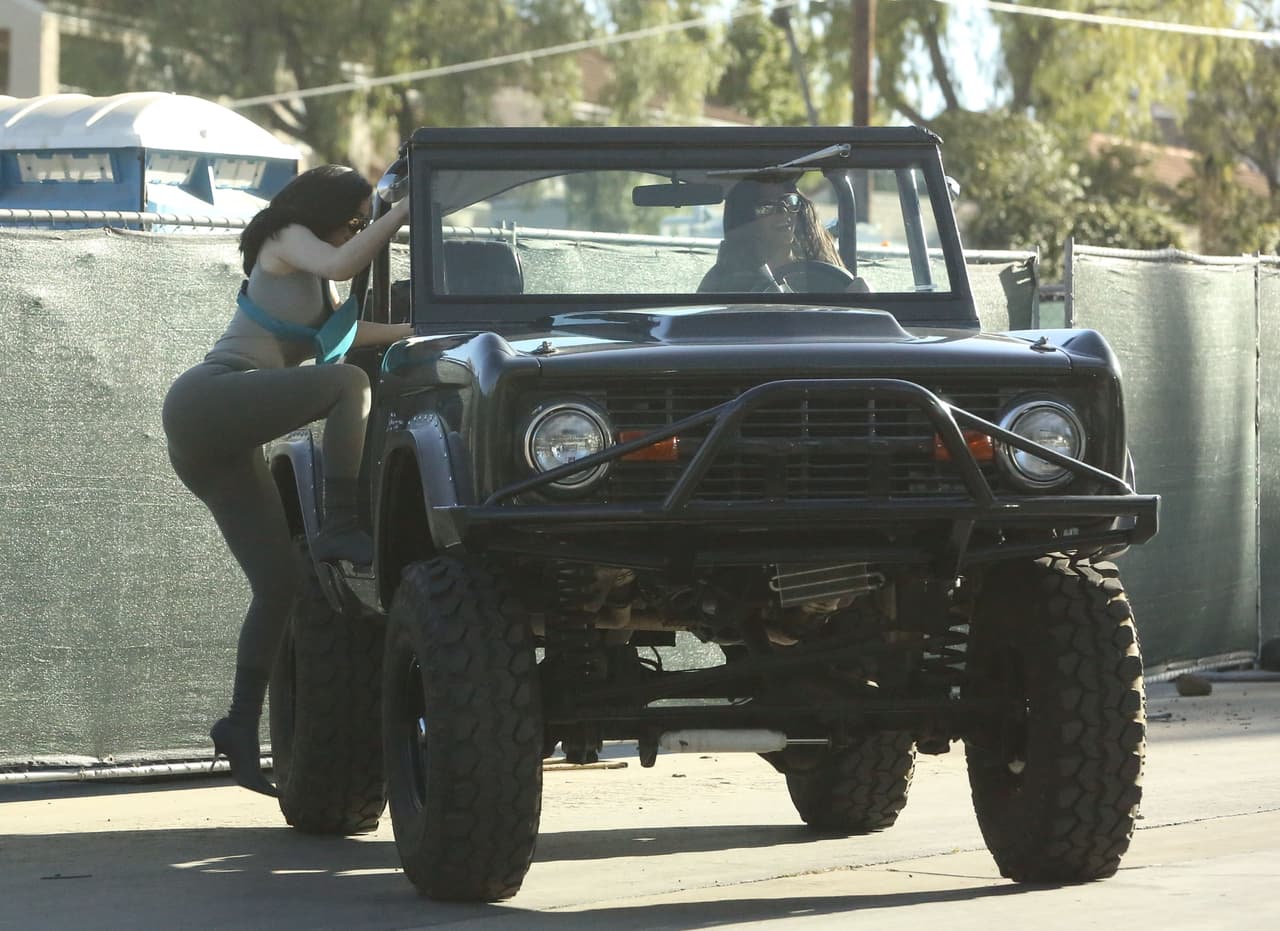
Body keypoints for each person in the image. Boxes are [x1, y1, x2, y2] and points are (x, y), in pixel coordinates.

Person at [161, 164, 412, 796]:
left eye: (362, 221)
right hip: (209, 400)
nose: (355, 229)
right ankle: (342, 522)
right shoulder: (284, 235)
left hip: (223, 441)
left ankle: (239, 726)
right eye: (352, 218)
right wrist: (406, 208)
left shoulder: (314, 275)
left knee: (278, 585)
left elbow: (351, 334)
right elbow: (345, 263)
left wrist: (424, 332)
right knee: (348, 384)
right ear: (324, 208)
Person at [697, 178, 855, 293]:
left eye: (790, 202)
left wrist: (860, 293)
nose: (784, 213)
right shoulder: (722, 282)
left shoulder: (822, 275)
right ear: (746, 219)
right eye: (768, 207)